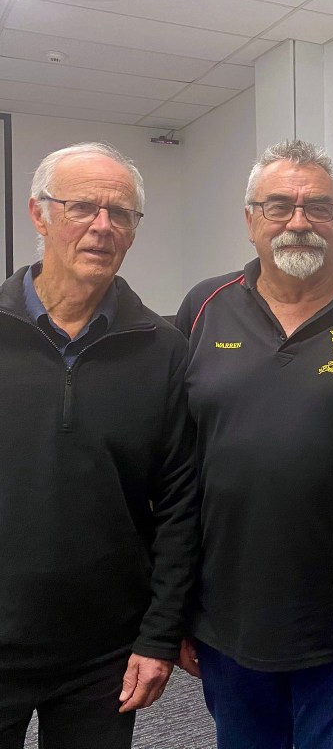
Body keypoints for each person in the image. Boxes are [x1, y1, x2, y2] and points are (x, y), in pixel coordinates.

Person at [175, 139, 333, 749]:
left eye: (318, 206)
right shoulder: (202, 309)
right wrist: (175, 607)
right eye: (279, 206)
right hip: (227, 617)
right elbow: (178, 469)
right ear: (249, 220)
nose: (299, 221)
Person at [0, 142, 198, 748]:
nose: (102, 227)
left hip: (104, 652)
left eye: (122, 214)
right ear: (39, 214)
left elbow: (180, 504)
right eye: (82, 207)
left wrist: (158, 635)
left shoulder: (162, 349)